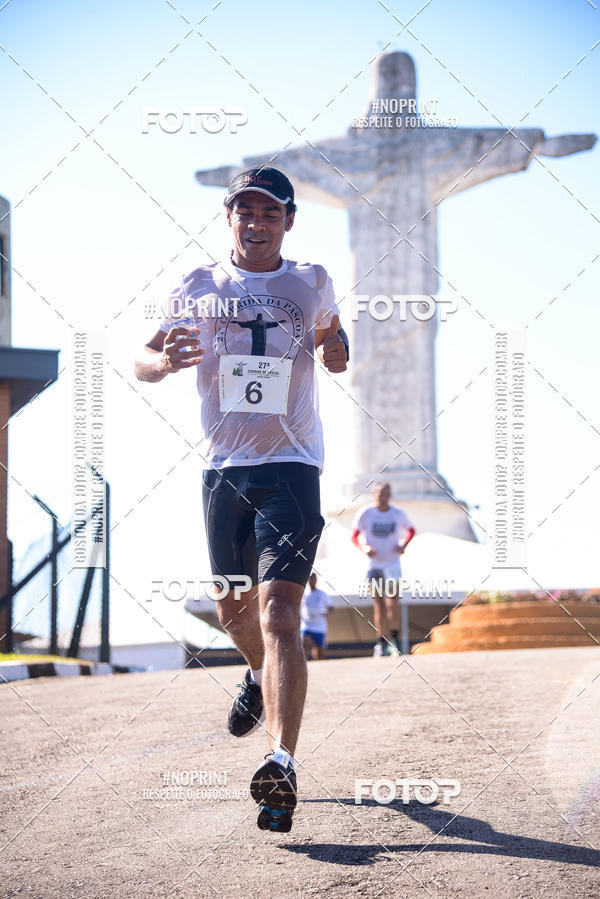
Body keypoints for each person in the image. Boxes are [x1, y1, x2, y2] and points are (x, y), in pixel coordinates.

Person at [134, 167, 349, 833]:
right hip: (223, 470)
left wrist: (337, 345)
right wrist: (162, 359)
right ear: (230, 218)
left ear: (286, 221)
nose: (256, 222)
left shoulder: (309, 280)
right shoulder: (197, 284)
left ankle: (280, 761)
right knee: (234, 610)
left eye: (269, 213)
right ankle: (255, 674)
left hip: (292, 466)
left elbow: (335, 351)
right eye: (244, 211)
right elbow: (142, 356)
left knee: (281, 609)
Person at [351, 482, 415, 656]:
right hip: (375, 566)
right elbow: (355, 535)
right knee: (378, 604)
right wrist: (364, 548)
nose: (383, 496)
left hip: (393, 565)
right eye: (380, 493)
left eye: (387, 493)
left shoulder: (398, 514)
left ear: (390, 495)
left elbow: (411, 530)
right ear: (374, 494)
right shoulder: (366, 513)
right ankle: (381, 642)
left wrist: (403, 545)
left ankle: (394, 640)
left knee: (393, 603)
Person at [300, 572, 333, 661]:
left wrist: (327, 612)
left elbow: (330, 606)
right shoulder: (304, 594)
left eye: (313, 579)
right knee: (304, 644)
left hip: (319, 626)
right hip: (307, 625)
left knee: (319, 651)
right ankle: (303, 663)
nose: (312, 581)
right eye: (310, 578)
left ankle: (318, 665)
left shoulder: (322, 594)